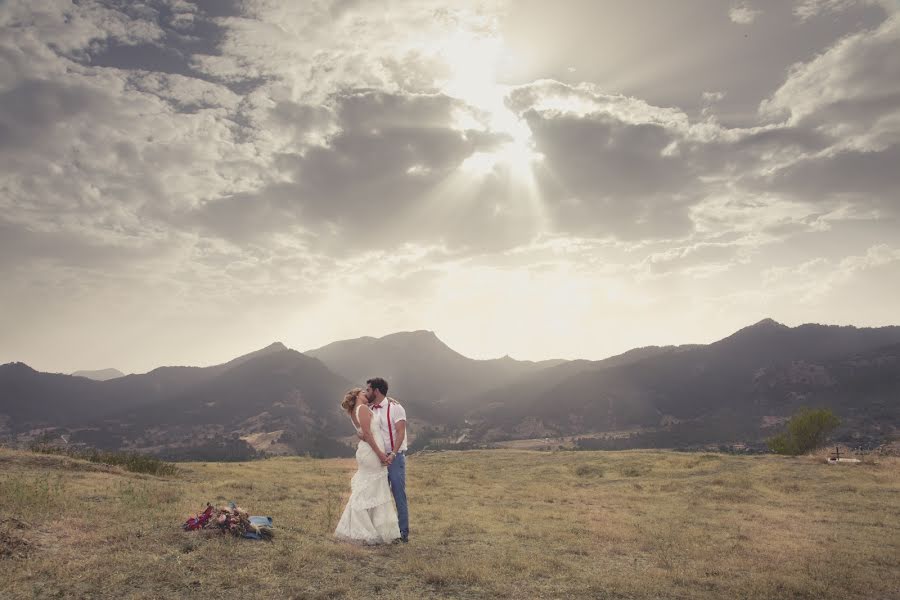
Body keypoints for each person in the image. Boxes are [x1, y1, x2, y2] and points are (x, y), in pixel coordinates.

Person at [333, 388, 401, 545]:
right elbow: (368, 435)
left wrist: (388, 400)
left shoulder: (359, 409)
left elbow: (363, 432)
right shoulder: (362, 409)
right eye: (364, 393)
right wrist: (380, 454)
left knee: (373, 489)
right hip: (371, 453)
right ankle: (365, 530)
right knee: (370, 490)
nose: (367, 395)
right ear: (357, 396)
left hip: (370, 452)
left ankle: (375, 529)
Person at [364, 377, 409, 543]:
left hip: (394, 458)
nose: (366, 392)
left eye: (368, 389)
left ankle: (403, 533)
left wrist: (393, 454)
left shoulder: (396, 408)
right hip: (377, 459)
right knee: (378, 496)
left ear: (376, 391)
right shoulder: (369, 409)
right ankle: (381, 531)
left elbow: (400, 432)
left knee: (398, 494)